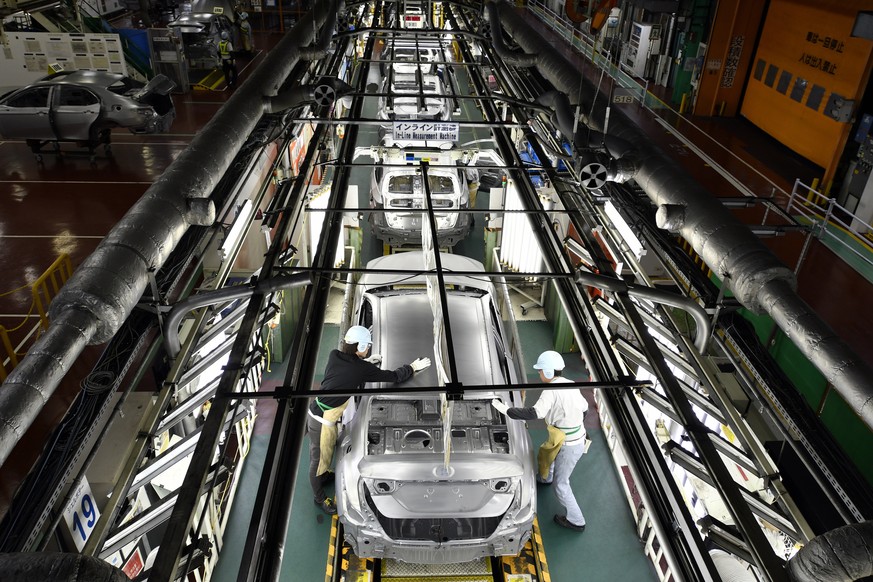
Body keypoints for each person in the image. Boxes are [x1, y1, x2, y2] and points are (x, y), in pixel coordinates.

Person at [308, 325, 431, 514]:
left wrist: (367, 363)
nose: (369, 350)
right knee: (318, 462)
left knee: (326, 455)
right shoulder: (360, 368)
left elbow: (347, 371)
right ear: (361, 346)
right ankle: (319, 498)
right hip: (321, 421)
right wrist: (412, 368)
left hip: (320, 413)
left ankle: (324, 476)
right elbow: (394, 377)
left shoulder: (334, 355)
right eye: (367, 347)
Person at [492, 350, 589, 532]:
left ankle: (577, 521)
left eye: (540, 370)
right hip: (568, 436)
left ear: (549, 372)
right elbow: (585, 410)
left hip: (569, 445)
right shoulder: (571, 384)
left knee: (561, 484)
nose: (539, 373)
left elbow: (534, 413)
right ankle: (545, 478)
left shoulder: (550, 391)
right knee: (548, 454)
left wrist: (506, 410)